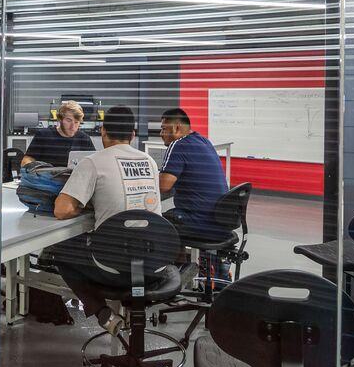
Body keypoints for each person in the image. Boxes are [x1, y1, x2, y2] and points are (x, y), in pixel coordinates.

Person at [50, 106, 162, 334]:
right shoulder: (149, 161)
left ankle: (102, 312)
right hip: (154, 263)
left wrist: (86, 204)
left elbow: (62, 210)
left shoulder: (93, 162)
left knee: (60, 248)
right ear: (132, 135)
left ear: (102, 131)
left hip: (115, 269)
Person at [158, 108, 230, 278]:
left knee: (159, 221)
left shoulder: (178, 145)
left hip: (200, 222)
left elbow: (163, 186)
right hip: (221, 222)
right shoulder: (204, 141)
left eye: (163, 129)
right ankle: (207, 270)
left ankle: (176, 273)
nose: (161, 134)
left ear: (176, 128)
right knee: (175, 215)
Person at [21, 99, 96, 167]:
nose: (72, 127)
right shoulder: (43, 135)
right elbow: (26, 160)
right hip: (47, 177)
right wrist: (30, 166)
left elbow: (94, 163)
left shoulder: (84, 139)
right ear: (60, 119)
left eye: (76, 122)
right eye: (69, 121)